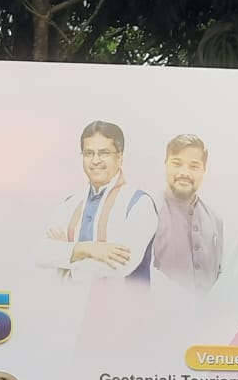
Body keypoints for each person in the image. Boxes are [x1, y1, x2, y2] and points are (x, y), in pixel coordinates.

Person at [34, 120, 158, 281]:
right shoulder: (70, 203)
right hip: (69, 298)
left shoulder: (139, 203)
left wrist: (65, 256)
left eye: (104, 153)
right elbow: (41, 254)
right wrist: (88, 249)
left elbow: (121, 265)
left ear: (120, 157)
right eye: (88, 153)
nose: (95, 160)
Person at [151, 134, 224, 292]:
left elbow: (220, 276)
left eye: (194, 166)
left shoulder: (215, 220)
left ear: (204, 170)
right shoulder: (148, 211)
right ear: (165, 164)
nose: (184, 172)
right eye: (177, 163)